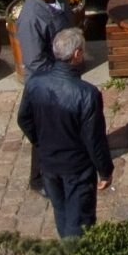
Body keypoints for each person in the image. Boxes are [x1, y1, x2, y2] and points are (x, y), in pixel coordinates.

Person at [16, 26, 112, 238]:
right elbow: (94, 139)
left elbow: (24, 119)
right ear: (77, 54)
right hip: (76, 168)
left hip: (49, 164)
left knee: (61, 212)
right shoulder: (86, 94)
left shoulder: (35, 83)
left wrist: (41, 142)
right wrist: (105, 170)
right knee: (79, 222)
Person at [15, 0, 71, 76]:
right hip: (48, 81)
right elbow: (35, 61)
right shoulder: (30, 19)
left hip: (65, 70)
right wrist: (60, 78)